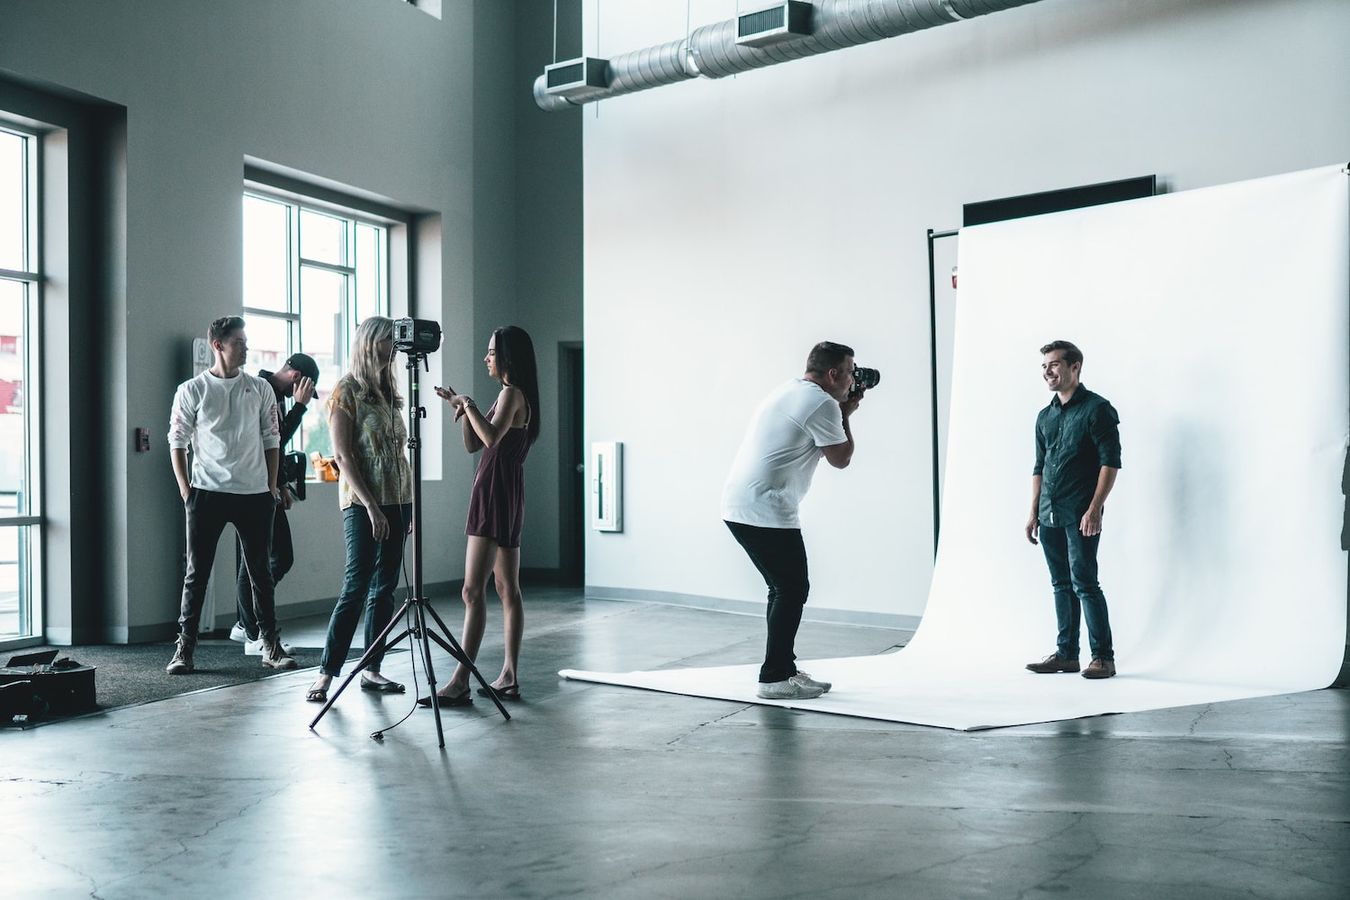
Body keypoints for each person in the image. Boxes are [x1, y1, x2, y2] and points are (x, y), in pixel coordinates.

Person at [722, 341, 864, 700]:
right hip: (764, 507)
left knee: (783, 588)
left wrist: (841, 407)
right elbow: (841, 458)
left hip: (744, 503)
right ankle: (774, 678)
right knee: (791, 589)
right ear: (833, 373)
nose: (852, 379)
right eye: (849, 372)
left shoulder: (790, 389)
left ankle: (782, 669)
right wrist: (846, 412)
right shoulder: (822, 403)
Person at [166, 316, 296, 674]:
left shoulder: (260, 389)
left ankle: (270, 645)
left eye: (245, 341)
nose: (246, 347)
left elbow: (273, 440)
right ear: (218, 346)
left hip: (254, 494)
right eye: (239, 342)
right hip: (206, 493)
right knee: (197, 574)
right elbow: (176, 441)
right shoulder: (192, 390)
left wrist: (271, 486)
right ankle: (184, 650)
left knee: (261, 574)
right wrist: (185, 490)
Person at [423, 325, 540, 707]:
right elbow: (474, 443)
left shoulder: (511, 393)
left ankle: (460, 680)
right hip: (505, 492)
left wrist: (470, 404)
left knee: (472, 591)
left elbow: (490, 439)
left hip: (494, 494)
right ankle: (508, 675)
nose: (486, 357)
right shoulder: (509, 395)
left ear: (507, 356)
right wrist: (461, 407)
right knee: (507, 589)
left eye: (492, 352)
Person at [306, 317, 414, 702]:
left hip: (398, 500)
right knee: (356, 586)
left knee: (384, 589)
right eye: (389, 338)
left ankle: (373, 668)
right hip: (363, 503)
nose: (396, 345)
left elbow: (400, 454)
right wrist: (372, 507)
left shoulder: (388, 391)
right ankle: (326, 672)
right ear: (371, 343)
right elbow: (343, 455)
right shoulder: (346, 391)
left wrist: (406, 507)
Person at [1024, 340, 1122, 680]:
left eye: (1053, 364)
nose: (1047, 372)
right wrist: (1033, 511)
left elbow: (1110, 463)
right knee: (1060, 583)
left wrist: (1095, 508)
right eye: (1044, 366)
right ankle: (1067, 654)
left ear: (1074, 367)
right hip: (1050, 511)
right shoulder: (1044, 416)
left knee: (1085, 582)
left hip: (1081, 512)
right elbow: (1040, 466)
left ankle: (1103, 658)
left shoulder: (1098, 409)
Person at [229, 353, 319, 657]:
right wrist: (301, 408)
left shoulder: (274, 393)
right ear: (298, 379)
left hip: (267, 487)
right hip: (253, 488)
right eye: (307, 389)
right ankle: (250, 629)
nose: (305, 396)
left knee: (276, 558)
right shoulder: (261, 389)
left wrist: (281, 485)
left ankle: (249, 622)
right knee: (260, 560)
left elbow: (273, 446)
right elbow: (275, 440)